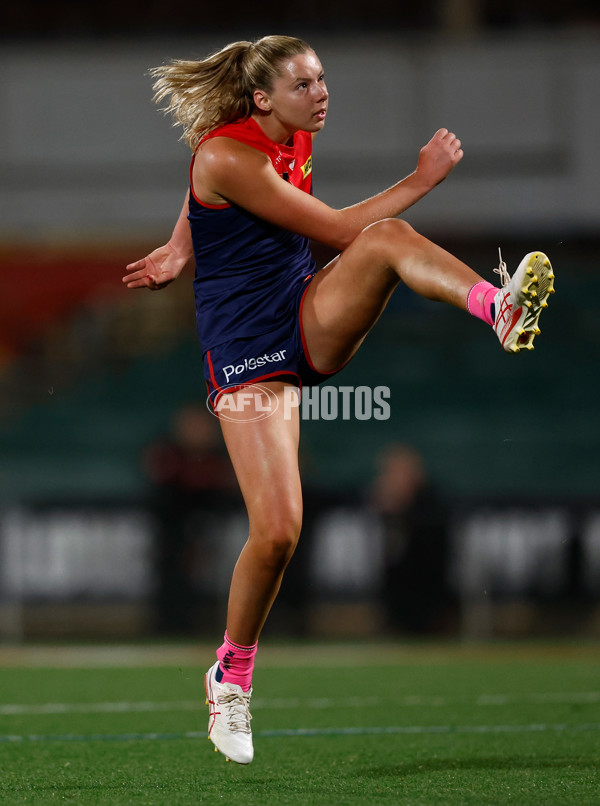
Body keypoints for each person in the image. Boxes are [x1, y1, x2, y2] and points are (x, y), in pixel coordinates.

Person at [122, 35, 555, 764]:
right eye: (304, 84)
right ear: (262, 98)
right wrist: (422, 178)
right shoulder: (230, 154)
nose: (321, 93)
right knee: (280, 531)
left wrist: (179, 245)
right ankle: (231, 673)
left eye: (323, 78)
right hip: (245, 356)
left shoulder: (283, 134)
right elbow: (321, 224)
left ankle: (497, 307)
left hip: (303, 311)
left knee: (388, 238)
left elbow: (228, 201)